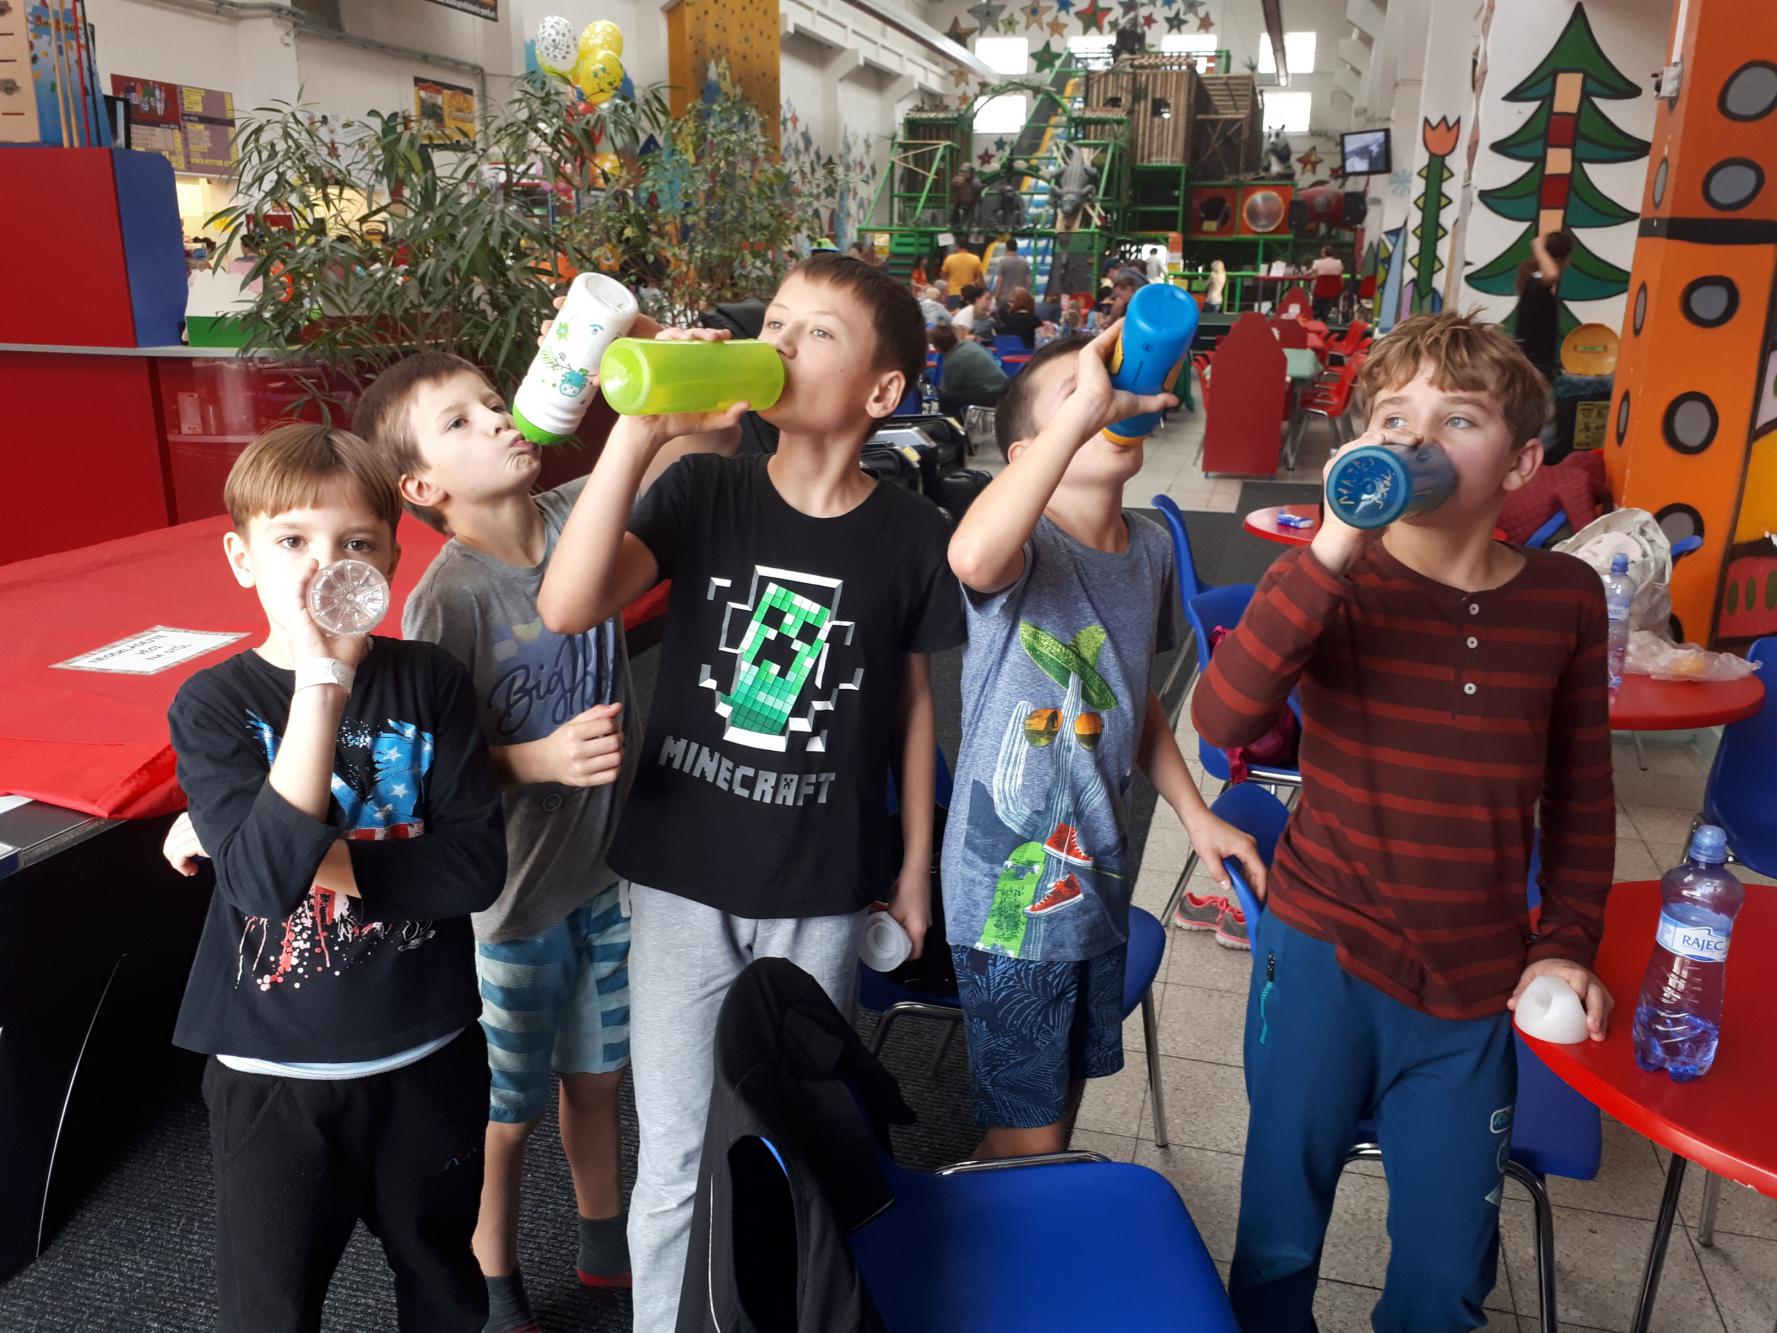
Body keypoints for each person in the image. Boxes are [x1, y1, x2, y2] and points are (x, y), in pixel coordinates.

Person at [536, 253, 966, 1332]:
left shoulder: (913, 535)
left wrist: (915, 869)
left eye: (817, 331)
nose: (780, 342)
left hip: (820, 882)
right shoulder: (705, 490)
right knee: (678, 1154)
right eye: (774, 320)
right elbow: (567, 603)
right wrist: (639, 433)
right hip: (681, 875)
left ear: (882, 391)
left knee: (791, 1139)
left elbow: (915, 706)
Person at [1192, 311, 1614, 1331]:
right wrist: (1334, 542)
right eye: (1392, 419)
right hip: (1321, 955)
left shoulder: (1564, 597)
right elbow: (1222, 718)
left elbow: (1581, 793)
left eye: (1455, 419)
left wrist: (1563, 943)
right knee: (1279, 1232)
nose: (1415, 440)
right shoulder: (1332, 579)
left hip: (1474, 983)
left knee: (1447, 1264)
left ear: (1520, 462)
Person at [345, 335, 732, 1332]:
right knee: (504, 1117)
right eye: (460, 421)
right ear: (421, 485)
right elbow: (423, 775)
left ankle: (605, 1246)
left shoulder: (578, 518)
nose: (497, 419)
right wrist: (536, 758)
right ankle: (496, 1283)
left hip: (606, 881)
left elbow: (691, 453)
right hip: (508, 910)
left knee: (598, 1081)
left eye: (492, 400)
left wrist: (685, 373)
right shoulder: (447, 598)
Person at [161, 423, 507, 1332]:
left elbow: (472, 868)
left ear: (390, 558)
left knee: (443, 1281)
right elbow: (261, 887)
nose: (325, 566)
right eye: (292, 541)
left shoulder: (430, 680)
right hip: (273, 1069)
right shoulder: (214, 703)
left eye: (355, 542)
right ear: (242, 558)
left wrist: (278, 846)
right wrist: (322, 685)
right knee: (270, 1305)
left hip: (427, 1051)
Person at [942, 329, 1265, 1158]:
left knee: (1061, 1094)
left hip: (1097, 872)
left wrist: (1194, 814)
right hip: (1010, 892)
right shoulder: (1024, 547)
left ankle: (1028, 1203)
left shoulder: (1148, 546)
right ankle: (1001, 1227)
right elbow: (972, 555)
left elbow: (1132, 697)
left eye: (1109, 389)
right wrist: (1085, 408)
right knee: (1026, 1129)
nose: (1105, 401)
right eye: (1078, 396)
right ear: (1029, 453)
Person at [1514, 230, 1572, 384]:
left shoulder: (1538, 286)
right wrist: (1539, 248)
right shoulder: (1535, 284)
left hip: (1536, 368)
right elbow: (1552, 274)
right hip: (1531, 371)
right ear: (1562, 259)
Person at [929, 322, 1007, 418]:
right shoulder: (968, 345)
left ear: (937, 347)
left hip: (991, 394)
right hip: (1002, 390)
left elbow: (948, 389)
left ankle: (950, 423)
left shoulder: (954, 360)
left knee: (945, 398)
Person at [993, 238, 1031, 305]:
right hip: (1019, 299)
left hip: (1005, 298)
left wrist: (996, 296)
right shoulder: (1024, 262)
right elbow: (1028, 281)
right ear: (1017, 248)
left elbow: (999, 281)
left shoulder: (1002, 262)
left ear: (1006, 248)